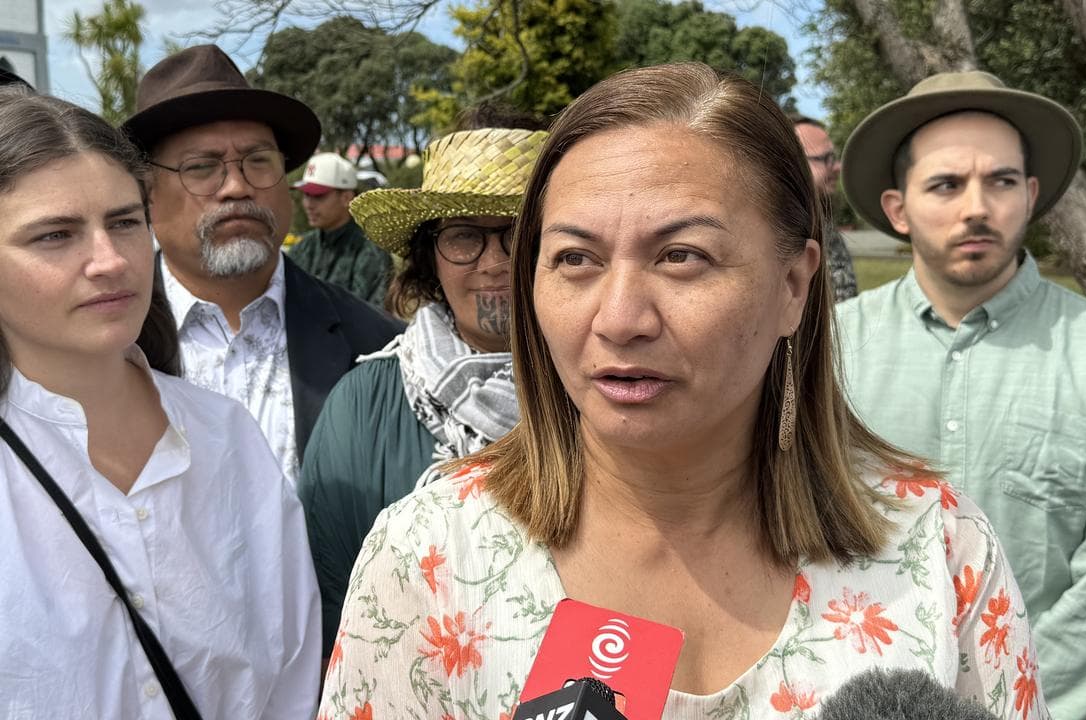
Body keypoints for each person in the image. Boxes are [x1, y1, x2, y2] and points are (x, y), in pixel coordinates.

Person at [318, 63, 1047, 720]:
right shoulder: (429, 552)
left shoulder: (938, 550)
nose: (621, 319)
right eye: (574, 258)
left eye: (682, 257)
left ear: (793, 286)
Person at [834, 70, 1086, 720]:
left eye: (1000, 181)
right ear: (897, 209)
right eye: (946, 184)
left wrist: (1007, 706)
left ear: (1030, 195)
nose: (977, 206)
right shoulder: (825, 354)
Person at [0, 87, 319, 717]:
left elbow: (294, 674)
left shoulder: (226, 435)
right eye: (54, 235)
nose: (110, 260)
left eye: (124, 222)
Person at [298, 107, 546, 663]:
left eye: (519, 235)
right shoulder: (363, 407)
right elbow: (341, 605)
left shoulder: (617, 394)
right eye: (464, 238)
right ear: (429, 258)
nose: (494, 263)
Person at [122, 45, 403, 485]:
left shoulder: (374, 347)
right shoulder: (99, 344)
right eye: (201, 167)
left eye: (258, 161)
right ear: (147, 192)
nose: (236, 186)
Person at [290, 151, 393, 305]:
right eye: (306, 195)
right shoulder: (303, 248)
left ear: (346, 198)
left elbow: (371, 318)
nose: (308, 204)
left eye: (318, 196)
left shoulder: (370, 250)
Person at [793, 114, 858, 301]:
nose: (837, 166)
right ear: (791, 164)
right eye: (826, 158)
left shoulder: (825, 226)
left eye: (834, 157)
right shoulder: (775, 241)